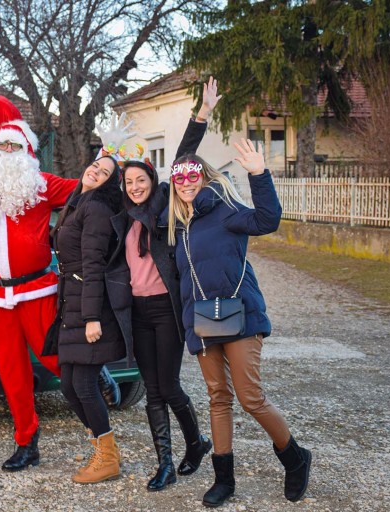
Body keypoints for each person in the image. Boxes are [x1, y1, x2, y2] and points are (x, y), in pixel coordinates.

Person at [165, 141, 312, 507]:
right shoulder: (178, 225)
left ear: (203, 176)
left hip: (241, 313)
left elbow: (268, 220)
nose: (185, 181)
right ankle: (224, 480)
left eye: (192, 174)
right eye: (178, 176)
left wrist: (259, 174)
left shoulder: (224, 209)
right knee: (218, 397)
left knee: (250, 397)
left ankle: (294, 458)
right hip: (201, 321)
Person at [0, 121, 121, 472]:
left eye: (14, 147)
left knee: (57, 357)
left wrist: (109, 159)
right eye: (1, 146)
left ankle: (97, 377)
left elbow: (89, 188)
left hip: (37, 290)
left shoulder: (42, 184)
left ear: (28, 153)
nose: (7, 152)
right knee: (11, 373)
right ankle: (26, 442)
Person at [109, 78, 220, 492]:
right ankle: (170, 461)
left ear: (152, 182)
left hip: (166, 310)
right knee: (153, 388)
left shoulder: (162, 204)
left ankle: (192, 443)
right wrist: (107, 155)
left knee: (167, 385)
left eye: (140, 181)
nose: (135, 187)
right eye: (128, 183)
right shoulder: (122, 215)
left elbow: (183, 156)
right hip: (136, 311)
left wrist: (202, 115)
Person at [50, 155, 131, 484]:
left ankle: (107, 457)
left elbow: (94, 264)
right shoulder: (76, 202)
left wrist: (92, 318)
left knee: (82, 384)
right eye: (96, 166)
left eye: (105, 173)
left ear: (110, 183)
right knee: (69, 386)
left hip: (89, 306)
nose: (95, 172)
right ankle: (102, 444)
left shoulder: (95, 208)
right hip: (72, 301)